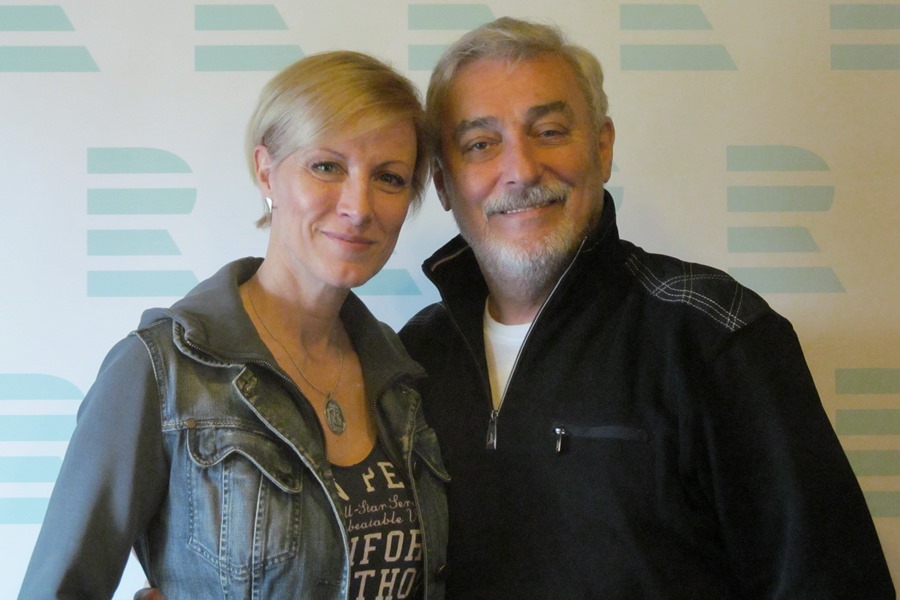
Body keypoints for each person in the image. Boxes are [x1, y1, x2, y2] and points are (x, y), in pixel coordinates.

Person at [397, 16, 895, 599]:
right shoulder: (411, 360)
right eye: (481, 144)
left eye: (550, 131)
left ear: (602, 147)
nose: (522, 170)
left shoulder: (715, 335)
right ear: (443, 181)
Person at [19, 50, 448, 599]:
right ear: (266, 170)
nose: (359, 206)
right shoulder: (162, 370)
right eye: (327, 166)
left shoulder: (403, 376)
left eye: (389, 178)